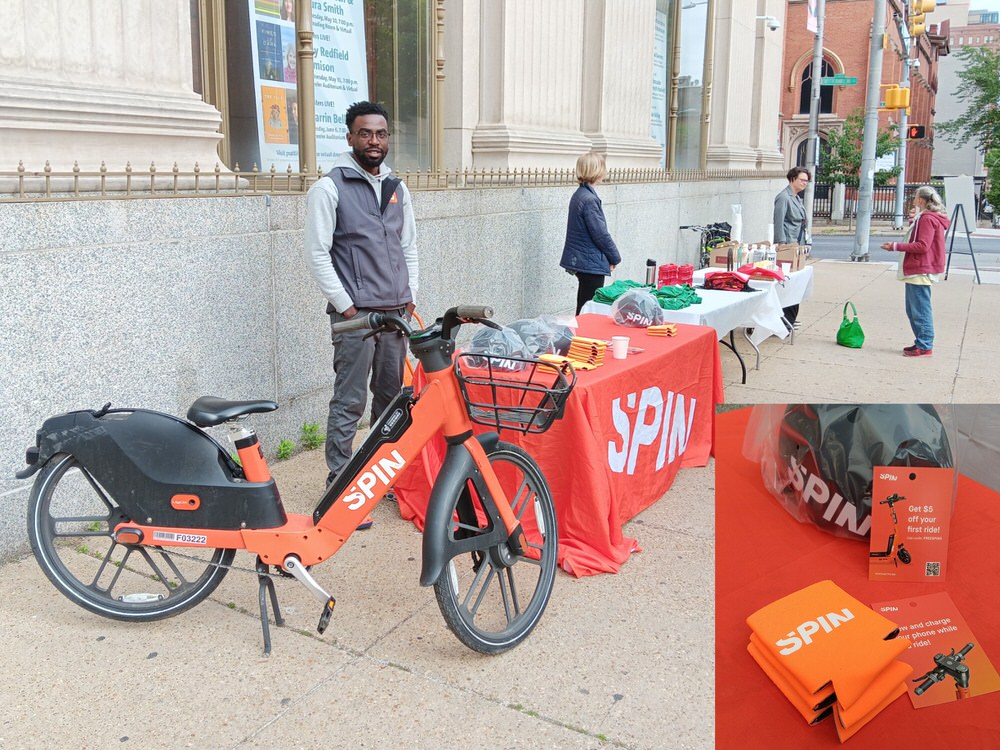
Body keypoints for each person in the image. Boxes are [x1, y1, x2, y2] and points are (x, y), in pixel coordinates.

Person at [303, 101, 418, 527]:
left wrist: (410, 295)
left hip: (396, 312)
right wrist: (347, 305)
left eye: (381, 133)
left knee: (390, 400)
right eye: (366, 133)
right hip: (356, 316)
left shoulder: (396, 189)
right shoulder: (328, 188)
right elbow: (317, 255)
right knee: (350, 400)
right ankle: (340, 485)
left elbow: (409, 247)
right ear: (350, 137)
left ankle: (375, 479)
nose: (375, 141)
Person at [880, 185, 949, 357]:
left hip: (920, 269)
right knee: (914, 309)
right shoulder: (928, 217)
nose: (913, 199)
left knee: (919, 309)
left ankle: (925, 344)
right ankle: (921, 342)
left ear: (921, 200)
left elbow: (922, 245)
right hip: (921, 268)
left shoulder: (926, 218)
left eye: (916, 196)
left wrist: (895, 246)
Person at [559, 151, 621, 314]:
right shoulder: (589, 199)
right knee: (588, 308)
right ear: (597, 171)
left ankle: (579, 337)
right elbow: (600, 234)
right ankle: (581, 338)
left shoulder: (580, 195)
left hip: (584, 260)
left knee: (584, 305)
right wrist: (615, 257)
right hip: (589, 263)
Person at [773, 166, 810, 325]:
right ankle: (784, 318)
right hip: (788, 244)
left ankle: (790, 318)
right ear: (792, 178)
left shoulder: (796, 198)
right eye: (802, 180)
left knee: (795, 283)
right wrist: (781, 244)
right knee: (787, 283)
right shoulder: (784, 197)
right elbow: (779, 221)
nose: (804, 183)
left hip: (798, 243)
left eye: (807, 181)